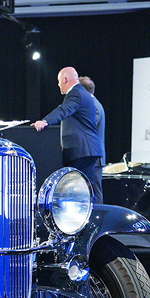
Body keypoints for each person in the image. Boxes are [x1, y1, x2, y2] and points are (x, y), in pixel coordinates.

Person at [32, 66, 104, 204]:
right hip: (86, 150)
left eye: (59, 81)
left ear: (65, 79)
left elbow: (64, 110)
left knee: (81, 193)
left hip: (82, 151)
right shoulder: (83, 93)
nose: (59, 85)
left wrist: (45, 121)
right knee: (83, 191)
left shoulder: (76, 93)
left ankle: (84, 223)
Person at [78, 76, 106, 167]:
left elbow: (88, 129)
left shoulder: (93, 106)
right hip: (90, 158)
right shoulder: (92, 104)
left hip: (94, 159)